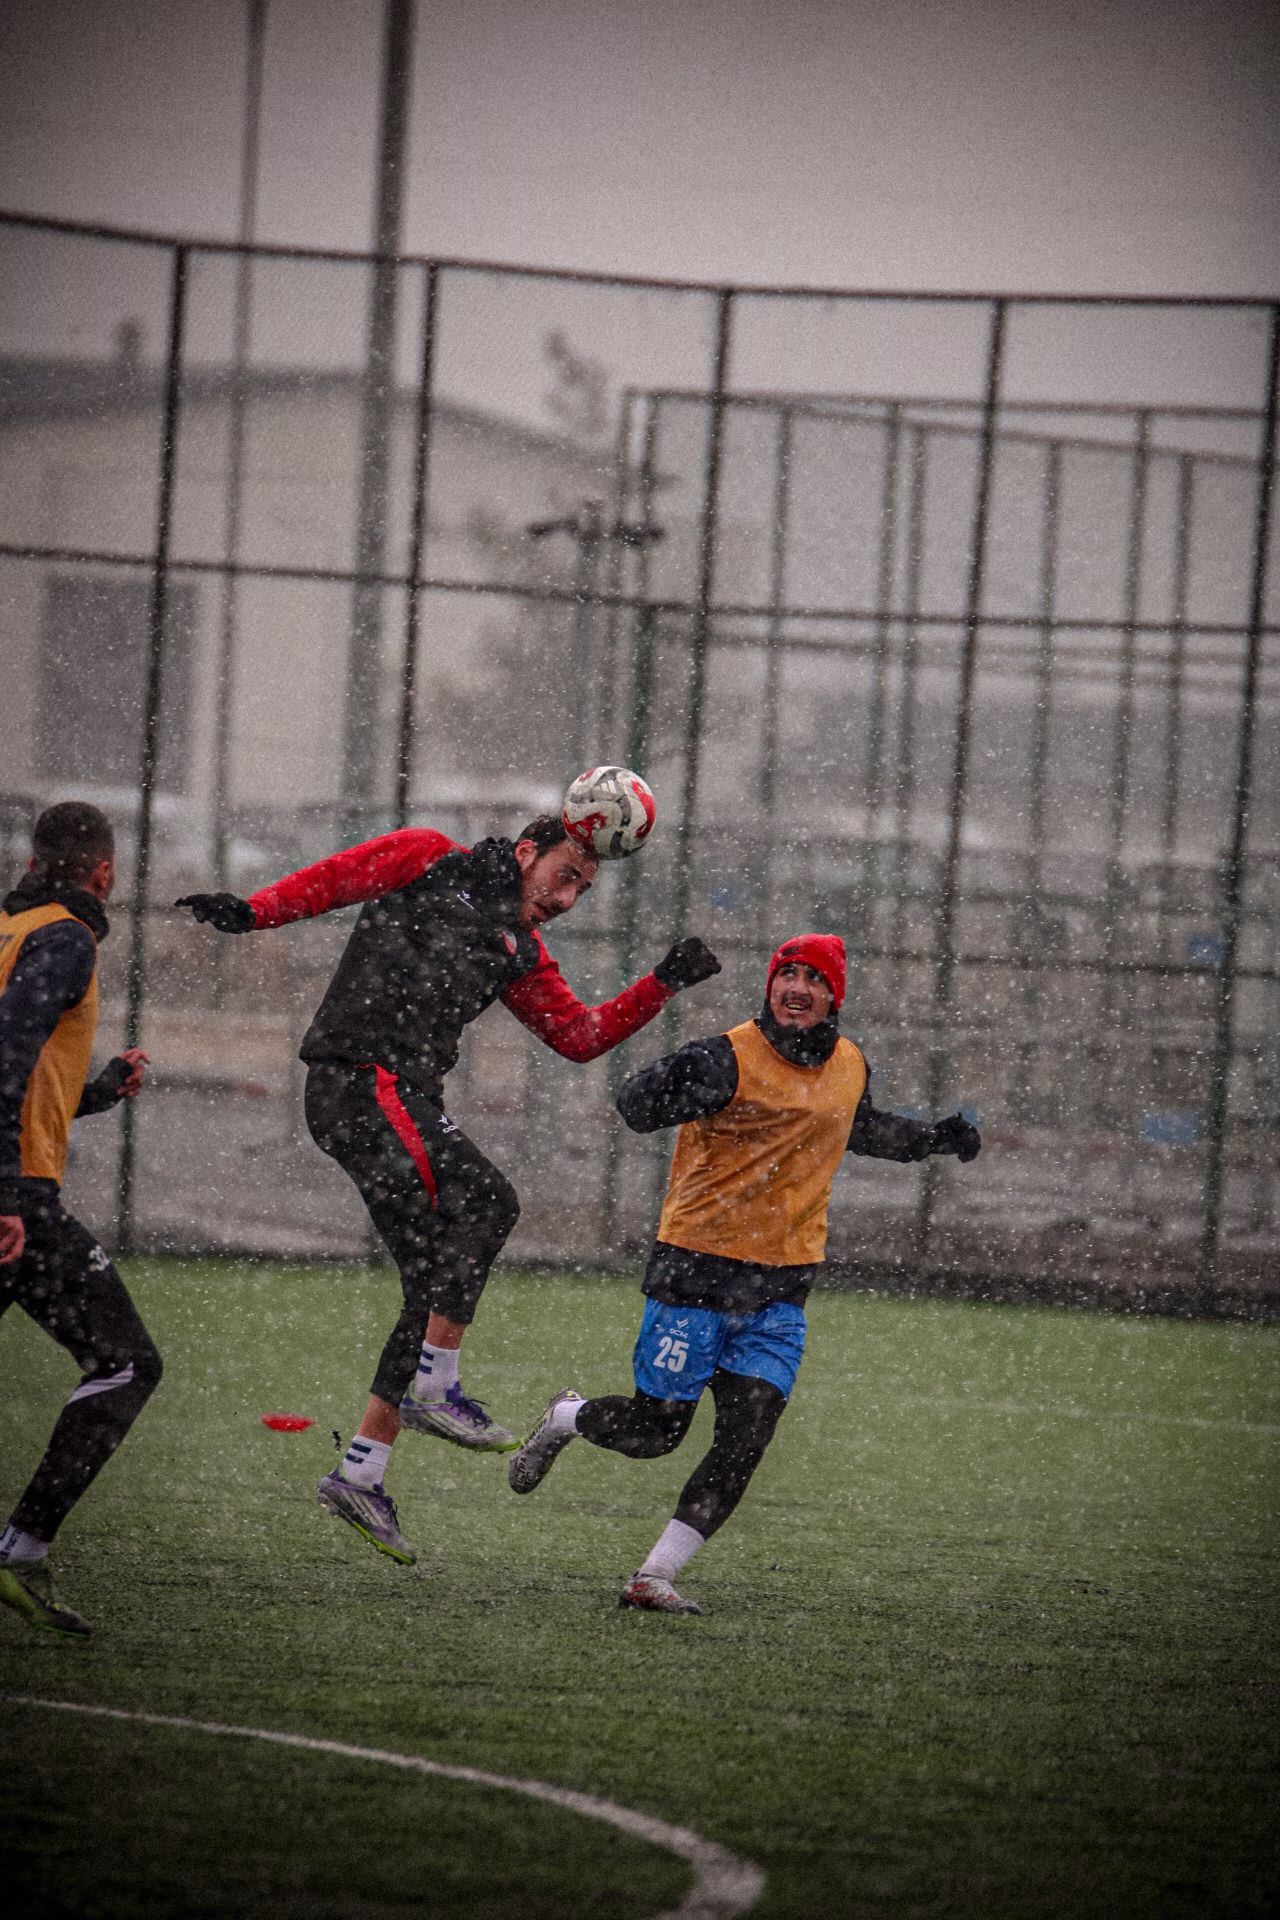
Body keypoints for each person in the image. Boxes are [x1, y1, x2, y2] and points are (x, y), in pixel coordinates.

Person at [175, 815, 719, 1566]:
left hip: (399, 1099)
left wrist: (661, 983)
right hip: (362, 1082)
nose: (569, 898)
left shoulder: (520, 949)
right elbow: (339, 877)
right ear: (527, 851)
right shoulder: (433, 859)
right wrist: (254, 912)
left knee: (429, 1283)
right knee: (491, 1204)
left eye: (583, 891)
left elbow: (581, 1036)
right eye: (565, 877)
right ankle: (436, 1388)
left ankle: (361, 1471)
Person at [507, 932, 981, 1615]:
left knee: (745, 1440)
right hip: (695, 1272)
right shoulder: (726, 1056)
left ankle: (653, 1575)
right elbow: (635, 1106)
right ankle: (567, 1417)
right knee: (655, 1433)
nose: (796, 988)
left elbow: (861, 1128)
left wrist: (935, 1137)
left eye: (812, 979)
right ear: (769, 986)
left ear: (833, 996)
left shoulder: (849, 1064)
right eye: (786, 974)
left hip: (781, 1288)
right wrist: (670, 1086)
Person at [0, 802, 157, 1639]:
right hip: (17, 1202)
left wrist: (94, 1092)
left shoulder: (10, 925)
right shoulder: (65, 938)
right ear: (103, 872)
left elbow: (27, 1074)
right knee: (126, 1366)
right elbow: (6, 1056)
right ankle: (21, 1545)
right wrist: (10, 1194)